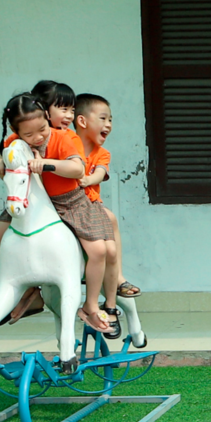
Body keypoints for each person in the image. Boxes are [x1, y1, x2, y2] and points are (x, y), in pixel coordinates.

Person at [0, 92, 115, 334]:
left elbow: (77, 169)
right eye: (28, 135)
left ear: (47, 117)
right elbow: (1, 152)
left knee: (99, 250)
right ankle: (28, 291)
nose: (37, 138)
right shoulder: (17, 141)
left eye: (42, 130)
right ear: (15, 131)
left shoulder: (63, 138)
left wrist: (47, 164)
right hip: (36, 203)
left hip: (68, 202)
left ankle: (90, 304)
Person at [73, 93, 138, 321]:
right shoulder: (66, 144)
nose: (108, 124)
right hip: (68, 204)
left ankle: (116, 284)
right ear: (82, 121)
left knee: (110, 225)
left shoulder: (102, 153)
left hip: (90, 204)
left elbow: (100, 173)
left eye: (110, 120)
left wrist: (88, 179)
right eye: (103, 118)